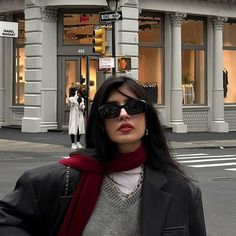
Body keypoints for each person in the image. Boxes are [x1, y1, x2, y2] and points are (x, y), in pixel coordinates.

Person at [0, 75, 206, 236]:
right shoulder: (55, 181)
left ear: (148, 120)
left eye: (133, 107)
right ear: (101, 124)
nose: (123, 114)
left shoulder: (183, 191)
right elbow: (8, 219)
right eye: (111, 110)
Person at [68, 82, 85, 150]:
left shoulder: (81, 99)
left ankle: (78, 142)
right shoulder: (71, 99)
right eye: (77, 92)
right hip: (74, 115)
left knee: (79, 129)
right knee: (73, 128)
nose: (78, 93)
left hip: (79, 115)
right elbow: (72, 103)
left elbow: (82, 105)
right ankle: (73, 143)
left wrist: (82, 106)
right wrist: (76, 96)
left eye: (79, 92)